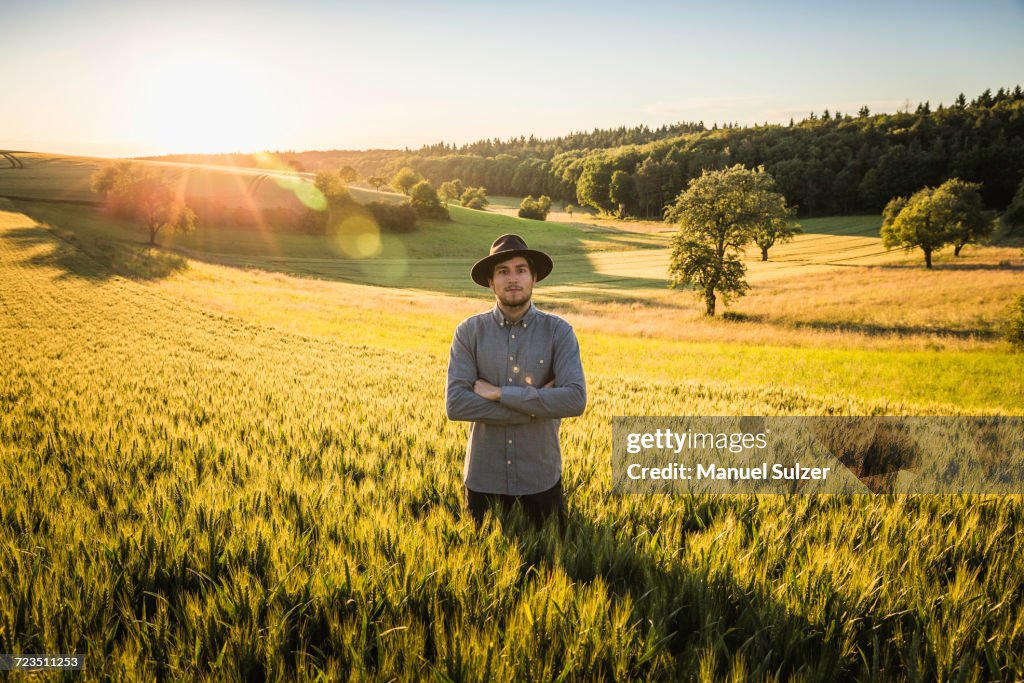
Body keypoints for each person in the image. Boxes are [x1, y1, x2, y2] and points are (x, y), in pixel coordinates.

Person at [445, 234, 587, 531]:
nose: (513, 279)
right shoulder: (468, 332)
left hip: (540, 480)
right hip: (485, 480)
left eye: (521, 270)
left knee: (550, 569)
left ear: (534, 277)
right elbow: (456, 405)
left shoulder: (558, 332)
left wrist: (497, 393)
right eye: (503, 271)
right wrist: (536, 405)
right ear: (490, 281)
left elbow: (574, 399)